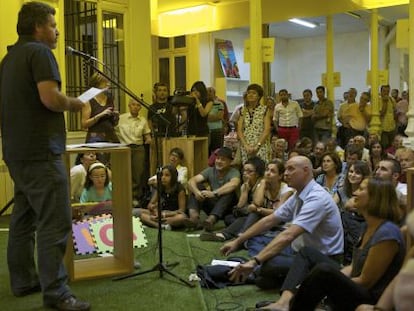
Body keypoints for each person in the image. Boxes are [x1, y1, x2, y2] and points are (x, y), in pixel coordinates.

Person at [0, 2, 90, 310]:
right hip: (41, 152)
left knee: (23, 218)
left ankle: (24, 280)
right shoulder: (40, 54)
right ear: (39, 27)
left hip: (16, 151)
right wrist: (76, 103)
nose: (57, 31)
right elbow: (50, 99)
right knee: (54, 222)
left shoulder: (9, 58)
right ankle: (57, 293)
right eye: (53, 25)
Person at [257, 177, 405, 311]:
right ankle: (287, 302)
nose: (355, 193)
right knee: (308, 254)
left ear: (375, 197)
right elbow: (354, 267)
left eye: (361, 189)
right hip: (357, 285)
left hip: (370, 297)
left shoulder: (387, 233)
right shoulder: (369, 225)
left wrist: (327, 283)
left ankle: (293, 305)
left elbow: (366, 282)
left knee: (323, 272)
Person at [221, 156, 343, 288]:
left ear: (306, 171)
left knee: (269, 263)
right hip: (298, 250)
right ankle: (262, 273)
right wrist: (238, 241)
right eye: (285, 169)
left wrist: (255, 261)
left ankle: (255, 270)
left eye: (291, 169)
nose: (285, 173)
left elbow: (288, 235)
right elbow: (270, 220)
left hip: (321, 258)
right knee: (258, 244)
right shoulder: (299, 194)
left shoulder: (317, 198)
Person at [199, 156, 266, 242]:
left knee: (245, 218)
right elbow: (240, 207)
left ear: (257, 174)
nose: (245, 174)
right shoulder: (245, 185)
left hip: (260, 215)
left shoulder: (261, 183)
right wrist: (245, 191)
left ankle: (225, 235)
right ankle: (239, 232)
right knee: (229, 219)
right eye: (244, 171)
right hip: (247, 215)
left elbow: (258, 203)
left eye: (249, 171)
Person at [185, 147, 240, 231]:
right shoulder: (210, 170)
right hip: (213, 204)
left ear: (230, 162)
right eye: (218, 158)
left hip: (227, 208)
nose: (219, 161)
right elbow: (191, 181)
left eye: (223, 159)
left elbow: (234, 184)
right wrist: (197, 192)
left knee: (229, 193)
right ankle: (194, 218)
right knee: (197, 186)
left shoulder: (234, 172)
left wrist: (214, 193)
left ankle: (211, 220)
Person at [115, 98, 152, 203]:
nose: (135, 107)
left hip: (138, 148)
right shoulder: (120, 118)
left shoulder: (143, 120)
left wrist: (149, 139)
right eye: (133, 105)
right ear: (129, 106)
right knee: (123, 173)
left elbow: (147, 135)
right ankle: (123, 196)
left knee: (137, 174)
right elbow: (112, 131)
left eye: (138, 105)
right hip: (123, 148)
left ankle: (134, 197)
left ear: (140, 107)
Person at [139, 165, 187, 230]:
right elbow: (150, 204)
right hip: (160, 213)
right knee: (142, 215)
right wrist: (154, 209)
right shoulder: (161, 187)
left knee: (182, 217)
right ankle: (161, 226)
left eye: (167, 175)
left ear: (173, 177)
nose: (163, 178)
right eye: (162, 175)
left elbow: (181, 210)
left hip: (172, 214)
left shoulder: (180, 189)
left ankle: (158, 223)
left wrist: (164, 215)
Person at [237, 83, 272, 163]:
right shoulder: (242, 110)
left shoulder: (265, 109)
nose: (250, 95)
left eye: (254, 93)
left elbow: (267, 130)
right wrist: (245, 145)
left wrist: (257, 146)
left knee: (261, 169)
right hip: (246, 145)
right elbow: (239, 130)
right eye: (249, 93)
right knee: (248, 169)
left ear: (259, 96)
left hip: (261, 145)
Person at [81, 72, 119, 144]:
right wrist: (100, 115)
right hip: (95, 137)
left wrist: (116, 116)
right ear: (97, 85)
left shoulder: (110, 98)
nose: (108, 84)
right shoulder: (88, 99)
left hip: (110, 135)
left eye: (108, 82)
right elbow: (84, 124)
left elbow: (114, 123)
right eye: (105, 83)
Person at [207, 86, 225, 154]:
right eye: (207, 92)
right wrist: (212, 116)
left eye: (210, 92)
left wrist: (208, 116)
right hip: (207, 131)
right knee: (206, 151)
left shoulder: (219, 104)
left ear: (214, 93)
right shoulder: (204, 104)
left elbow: (219, 117)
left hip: (216, 130)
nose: (208, 94)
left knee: (216, 151)